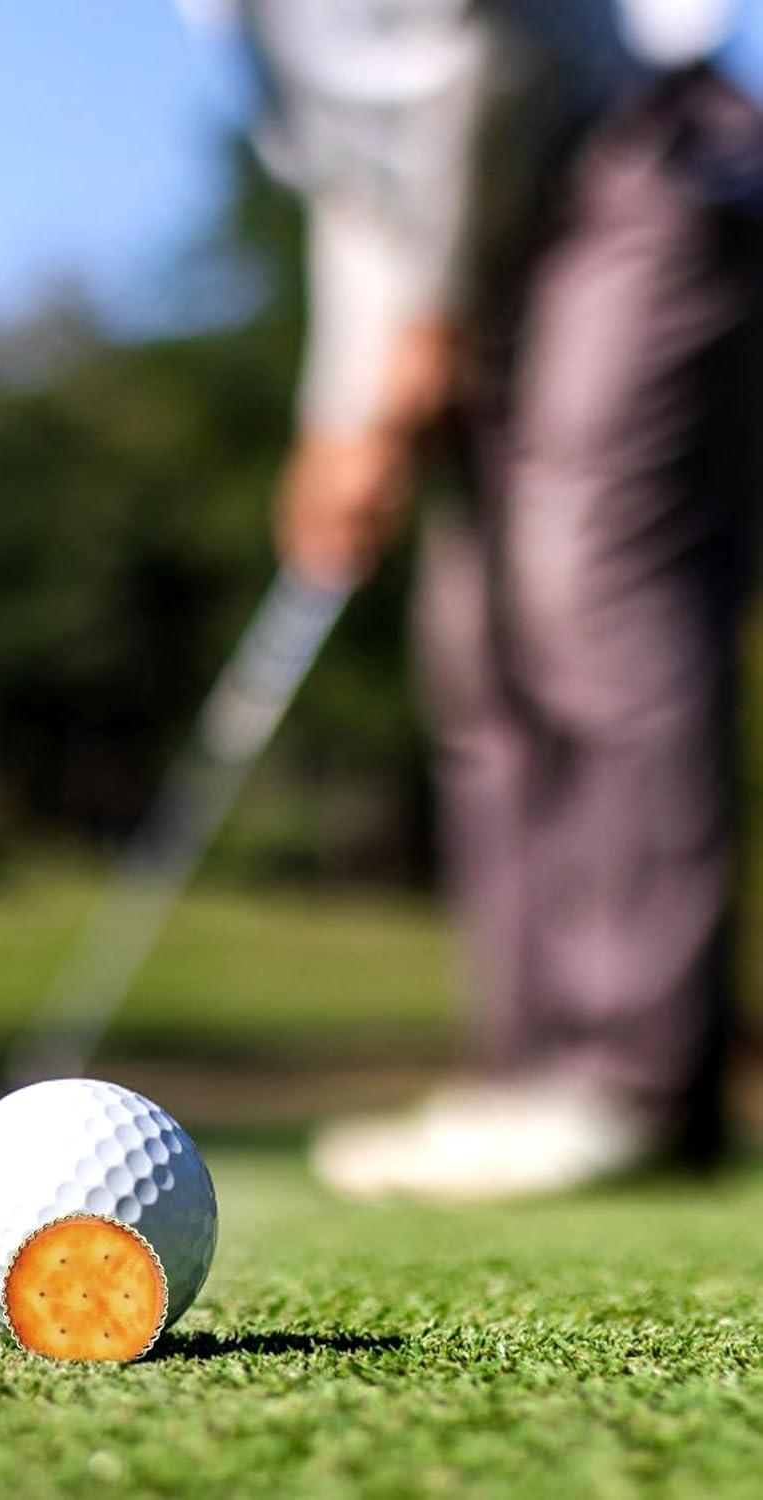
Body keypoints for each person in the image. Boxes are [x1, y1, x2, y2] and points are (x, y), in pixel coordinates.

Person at [208, 0, 763, 1199]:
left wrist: (435, 309)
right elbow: (359, 191)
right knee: (473, 642)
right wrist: (339, 423)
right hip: (488, 241)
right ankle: (523, 1076)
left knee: (589, 593)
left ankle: (632, 1082)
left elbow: (492, 55)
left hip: (636, 170)